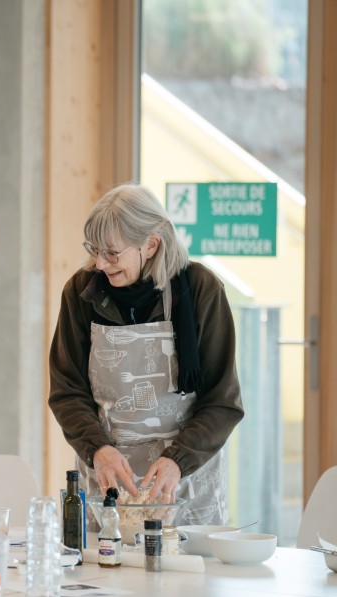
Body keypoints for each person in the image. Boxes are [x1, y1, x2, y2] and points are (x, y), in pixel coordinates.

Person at [48, 183, 244, 527]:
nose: (100, 263)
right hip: (109, 475)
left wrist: (178, 460)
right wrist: (98, 450)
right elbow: (67, 391)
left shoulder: (201, 290)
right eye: (94, 250)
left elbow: (223, 401)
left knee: (186, 576)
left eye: (112, 253)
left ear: (151, 244)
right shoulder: (81, 293)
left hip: (186, 478)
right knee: (105, 574)